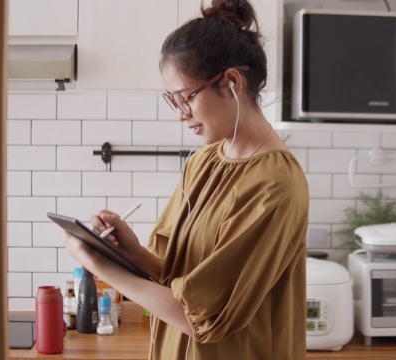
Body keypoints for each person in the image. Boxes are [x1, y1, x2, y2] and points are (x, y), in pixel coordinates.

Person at [63, 0, 309, 358]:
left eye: (186, 98)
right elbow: (182, 282)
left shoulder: (275, 185)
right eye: (172, 100)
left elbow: (203, 318)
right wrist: (134, 253)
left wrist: (98, 264)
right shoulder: (205, 161)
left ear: (231, 82)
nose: (181, 115)